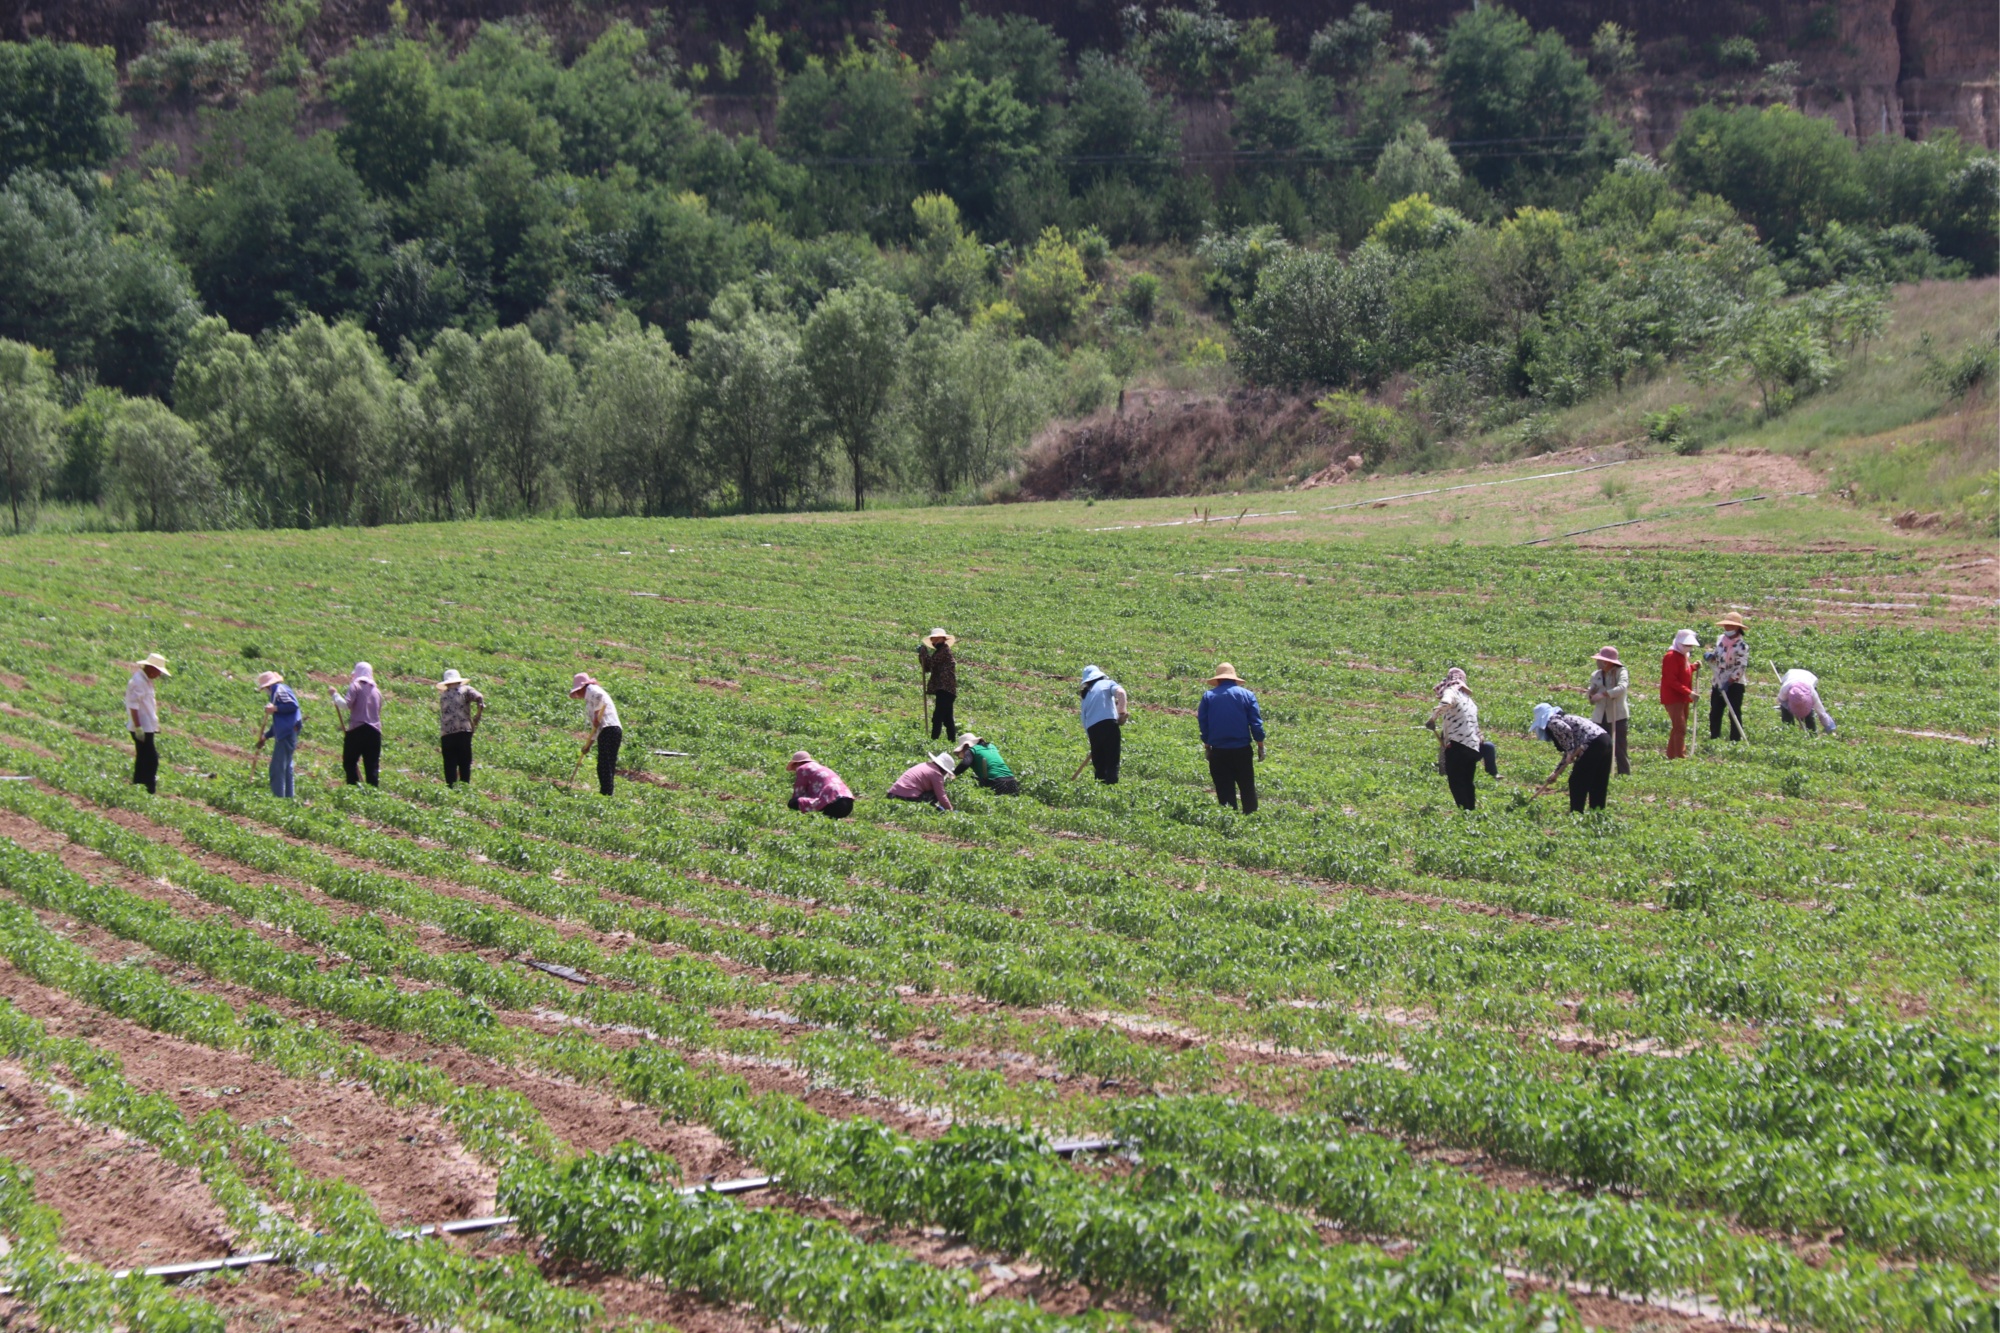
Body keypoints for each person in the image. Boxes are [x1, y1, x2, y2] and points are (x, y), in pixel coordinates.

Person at [1196, 663, 1264, 813]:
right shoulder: (1247, 695)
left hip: (1219, 751)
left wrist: (1207, 745)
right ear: (1234, 679)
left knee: (1224, 788)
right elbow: (1256, 723)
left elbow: (1203, 723)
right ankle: (1251, 817)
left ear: (1218, 680)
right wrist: (1260, 745)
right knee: (1247, 786)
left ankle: (1230, 820)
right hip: (1242, 750)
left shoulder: (1208, 697)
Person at [1531, 703, 1613, 813]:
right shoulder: (1564, 719)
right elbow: (1569, 747)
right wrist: (1556, 772)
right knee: (1598, 780)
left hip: (1592, 744)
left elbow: (1566, 733)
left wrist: (1570, 751)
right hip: (1605, 741)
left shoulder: (1552, 721)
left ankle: (1576, 812)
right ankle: (1597, 812)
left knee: (1577, 780)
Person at [1427, 668, 1483, 810]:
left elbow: (1446, 703)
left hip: (1457, 745)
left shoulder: (1452, 691)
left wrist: (1433, 719)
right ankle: (1471, 812)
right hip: (1473, 747)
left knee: (1456, 780)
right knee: (1467, 781)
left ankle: (1464, 812)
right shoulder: (1470, 701)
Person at [569, 672, 622, 796]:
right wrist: (588, 745)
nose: (578, 694)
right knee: (606, 764)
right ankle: (607, 793)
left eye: (578, 691)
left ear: (582, 687)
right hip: (608, 730)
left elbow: (599, 698)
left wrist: (597, 715)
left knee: (605, 764)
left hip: (609, 728)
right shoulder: (589, 700)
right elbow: (595, 727)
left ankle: (606, 794)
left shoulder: (592, 690)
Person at [331, 661, 383, 787]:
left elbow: (345, 705)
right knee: (372, 766)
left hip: (358, 730)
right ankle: (373, 794)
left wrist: (334, 695)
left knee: (350, 762)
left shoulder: (356, 686)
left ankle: (353, 788)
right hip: (375, 732)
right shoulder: (377, 692)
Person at [124, 652, 170, 794]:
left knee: (143, 758)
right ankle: (148, 790)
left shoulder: (146, 681)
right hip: (141, 727)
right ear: (151, 668)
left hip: (147, 727)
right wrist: (138, 727)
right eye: (158, 671)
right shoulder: (137, 682)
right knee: (151, 759)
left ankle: (138, 786)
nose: (159, 675)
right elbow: (133, 705)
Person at [254, 670, 304, 798]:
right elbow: (279, 723)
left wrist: (275, 708)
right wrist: (265, 736)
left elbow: (293, 705)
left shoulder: (279, 689)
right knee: (286, 768)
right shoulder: (276, 693)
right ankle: (288, 799)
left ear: (268, 686)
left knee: (277, 768)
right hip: (287, 732)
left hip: (287, 733)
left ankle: (278, 799)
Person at [1586, 646, 1632, 776]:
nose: (1597, 662)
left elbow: (1622, 687)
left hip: (1617, 715)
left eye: (1600, 660)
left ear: (1607, 662)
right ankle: (1600, 773)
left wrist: (1605, 694)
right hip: (1600, 716)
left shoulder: (1620, 672)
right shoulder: (1596, 675)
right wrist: (1591, 695)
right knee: (1599, 745)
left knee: (1619, 747)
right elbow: (1591, 693)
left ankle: (1624, 774)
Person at [1079, 666, 1129, 784]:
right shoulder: (1107, 683)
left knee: (1100, 765)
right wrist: (1121, 712)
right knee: (1112, 762)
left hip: (1092, 730)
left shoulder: (1086, 696)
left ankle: (1100, 791)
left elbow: (1084, 718)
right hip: (1108, 724)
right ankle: (1111, 790)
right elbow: (1121, 693)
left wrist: (1094, 738)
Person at [1705, 615, 1750, 741]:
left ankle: (1735, 740)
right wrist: (1711, 657)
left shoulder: (1742, 646)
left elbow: (1741, 667)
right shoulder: (1720, 640)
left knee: (1734, 712)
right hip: (1718, 681)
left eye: (1730, 625)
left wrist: (1730, 682)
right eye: (1726, 625)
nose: (1727, 627)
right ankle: (1714, 737)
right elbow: (1718, 656)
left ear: (1736, 627)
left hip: (1734, 684)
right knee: (1715, 712)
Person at [436, 668, 484, 786]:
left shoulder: (443, 696)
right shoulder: (465, 690)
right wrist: (478, 715)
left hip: (447, 733)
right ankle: (464, 787)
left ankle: (451, 788)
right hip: (463, 730)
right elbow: (479, 697)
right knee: (464, 761)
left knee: (449, 763)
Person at [1659, 631, 1700, 759]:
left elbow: (1683, 671)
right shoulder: (1671, 656)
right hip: (1673, 697)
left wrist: (1693, 667)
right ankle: (1679, 756)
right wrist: (1689, 692)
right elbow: (1671, 680)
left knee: (1678, 727)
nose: (1688, 647)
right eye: (1685, 644)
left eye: (1690, 645)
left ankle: (1672, 755)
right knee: (1680, 727)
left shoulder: (1683, 656)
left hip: (1683, 697)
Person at [917, 628, 958, 743]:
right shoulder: (940, 652)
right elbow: (927, 668)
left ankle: (933, 741)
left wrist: (923, 653)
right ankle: (952, 741)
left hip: (945, 689)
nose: (932, 641)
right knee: (947, 718)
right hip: (945, 690)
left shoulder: (944, 651)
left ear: (941, 638)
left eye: (934, 638)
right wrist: (922, 656)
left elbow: (930, 663)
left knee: (938, 717)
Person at [786, 751, 855, 818]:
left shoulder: (802, 768)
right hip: (848, 804)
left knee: (793, 802)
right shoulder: (822, 768)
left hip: (832, 803)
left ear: (797, 764)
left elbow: (798, 792)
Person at [1776, 668, 1838, 733]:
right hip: (1790, 675)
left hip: (1808, 677)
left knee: (1809, 714)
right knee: (1786, 712)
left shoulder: (1812, 693)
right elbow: (1781, 700)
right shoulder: (1785, 690)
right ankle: (1788, 731)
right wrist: (1790, 708)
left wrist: (1829, 726)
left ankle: (1812, 733)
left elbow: (1821, 712)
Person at [886, 752, 955, 811]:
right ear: (944, 769)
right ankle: (929, 810)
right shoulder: (936, 774)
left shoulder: (925, 764)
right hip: (907, 797)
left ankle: (934, 808)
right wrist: (950, 810)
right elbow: (941, 796)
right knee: (934, 793)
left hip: (892, 794)